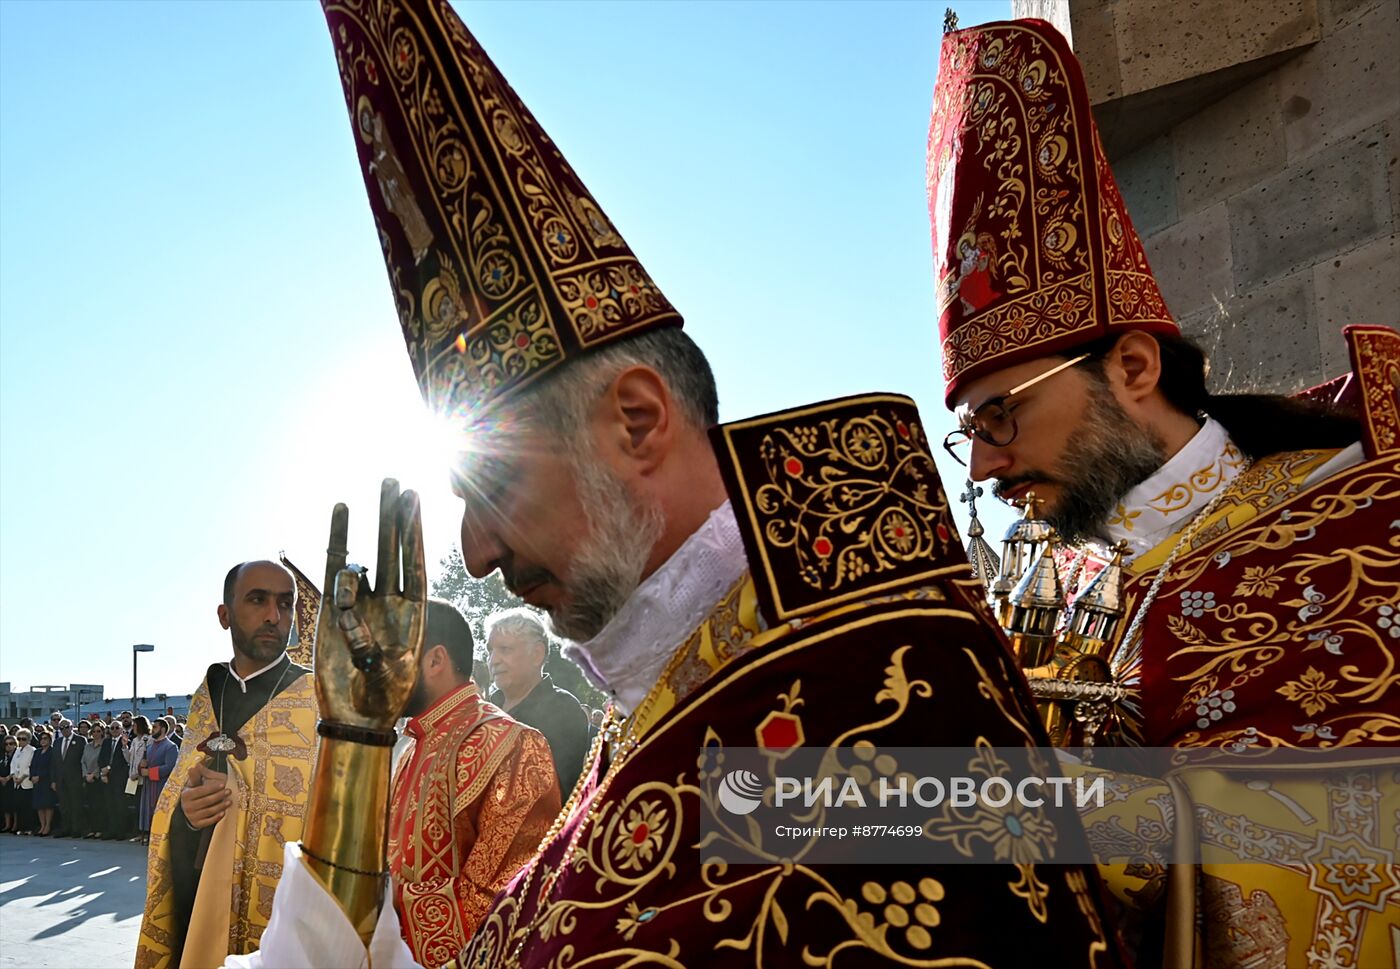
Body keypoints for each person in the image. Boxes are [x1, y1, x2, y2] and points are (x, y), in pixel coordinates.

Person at [224, 3, 1123, 966]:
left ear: (639, 420)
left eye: (494, 488)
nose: (477, 552)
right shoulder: (666, 675)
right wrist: (356, 745)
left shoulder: (879, 686)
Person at [926, 18, 1399, 969]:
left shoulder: (1355, 517)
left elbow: (1355, 847)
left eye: (999, 417)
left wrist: (915, 810)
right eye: (967, 431)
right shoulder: (1048, 574)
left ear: (1133, 366)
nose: (980, 467)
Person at [135, 560, 319, 968]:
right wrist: (186, 816)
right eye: (258, 600)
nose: (274, 616)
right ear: (225, 614)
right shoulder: (208, 692)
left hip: (279, 911)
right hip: (198, 892)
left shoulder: (316, 700)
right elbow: (179, 799)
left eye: (285, 604)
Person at [388, 599, 560, 965]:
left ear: (435, 661)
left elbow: (505, 895)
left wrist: (391, 907)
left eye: (393, 658)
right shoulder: (412, 747)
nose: (380, 675)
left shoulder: (511, 743)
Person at [484, 609, 590, 798]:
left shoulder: (562, 709)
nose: (493, 661)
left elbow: (553, 793)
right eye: (490, 651)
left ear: (537, 654)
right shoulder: (487, 710)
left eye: (505, 649)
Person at [138, 717, 178, 846]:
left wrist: (149, 772)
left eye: (155, 727)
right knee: (148, 810)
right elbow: (143, 767)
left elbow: (170, 767)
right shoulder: (149, 747)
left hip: (162, 786)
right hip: (149, 786)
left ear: (163, 729)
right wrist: (141, 766)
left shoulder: (170, 747)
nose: (152, 730)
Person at [53, 718, 86, 837]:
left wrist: (83, 777)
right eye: (61, 728)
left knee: (76, 805)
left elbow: (83, 760)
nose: (64, 730)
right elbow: (54, 763)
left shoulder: (81, 740)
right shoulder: (57, 742)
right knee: (64, 806)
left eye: (66, 727)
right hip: (61, 779)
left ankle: (76, 829)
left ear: (72, 727)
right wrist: (53, 780)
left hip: (75, 778)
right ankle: (65, 828)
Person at [101, 720, 131, 841]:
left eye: (117, 728)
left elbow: (126, 761)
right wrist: (103, 772)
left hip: (120, 778)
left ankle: (121, 831)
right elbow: (102, 758)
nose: (114, 730)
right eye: (112, 728)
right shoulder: (106, 742)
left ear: (121, 729)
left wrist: (110, 768)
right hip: (107, 778)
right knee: (109, 805)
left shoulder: (126, 742)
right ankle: (111, 830)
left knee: (120, 806)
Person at [126, 715, 151, 843]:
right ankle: (138, 832)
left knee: (144, 806)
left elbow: (148, 758)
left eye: (134, 725)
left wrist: (140, 772)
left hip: (142, 778)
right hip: (133, 777)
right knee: (135, 806)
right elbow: (129, 759)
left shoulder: (148, 739)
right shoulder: (135, 740)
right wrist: (125, 747)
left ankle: (146, 832)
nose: (133, 728)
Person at [30, 728, 57, 836]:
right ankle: (42, 825)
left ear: (50, 740)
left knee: (47, 805)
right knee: (39, 805)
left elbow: (52, 767)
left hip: (46, 781)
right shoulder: (37, 752)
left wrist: (40, 777)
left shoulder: (52, 751)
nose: (43, 740)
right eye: (41, 739)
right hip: (37, 782)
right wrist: (32, 776)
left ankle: (48, 826)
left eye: (45, 738)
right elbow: (32, 766)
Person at [10, 728, 36, 835]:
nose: (21, 741)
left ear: (28, 740)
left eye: (23, 739)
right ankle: (21, 827)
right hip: (17, 783)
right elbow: (13, 764)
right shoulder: (17, 750)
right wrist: (14, 776)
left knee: (27, 807)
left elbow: (30, 765)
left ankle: (28, 828)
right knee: (19, 806)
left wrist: (23, 777)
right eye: (19, 739)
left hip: (26, 782)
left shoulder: (32, 750)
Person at [0, 734, 16, 833]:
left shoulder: (17, 755)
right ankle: (7, 824)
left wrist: (8, 778)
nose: (8, 746)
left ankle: (15, 825)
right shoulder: (2, 756)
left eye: (11, 743)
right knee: (4, 804)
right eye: (6, 744)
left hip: (13, 782)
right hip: (2, 783)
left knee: (13, 804)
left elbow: (18, 768)